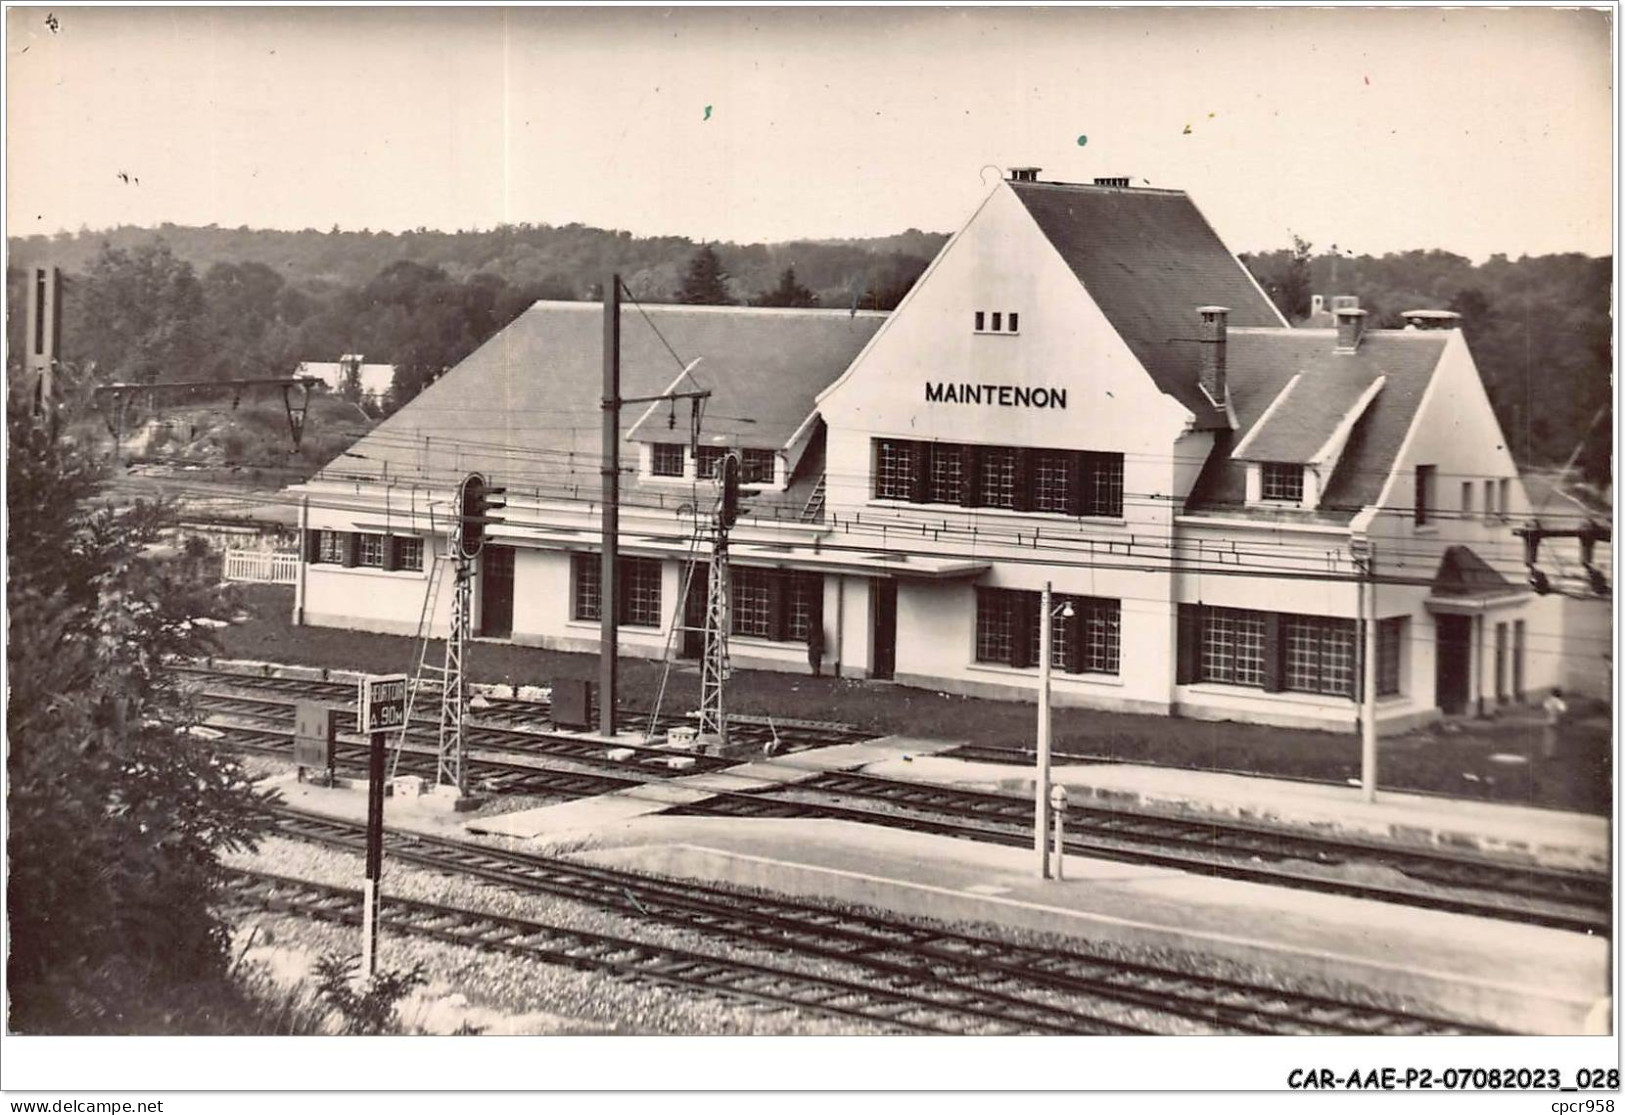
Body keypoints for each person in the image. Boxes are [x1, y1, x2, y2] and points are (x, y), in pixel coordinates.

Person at [1541, 687, 1568, 759]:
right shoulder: (1560, 702)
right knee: (1554, 737)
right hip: (1556, 720)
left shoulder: (1548, 701)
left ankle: (1547, 753)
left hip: (1548, 720)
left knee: (1548, 737)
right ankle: (1552, 753)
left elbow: (1545, 710)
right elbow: (1563, 711)